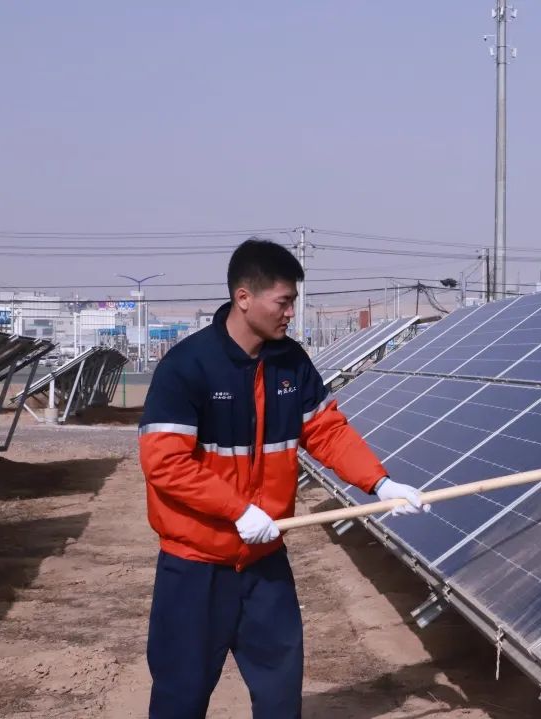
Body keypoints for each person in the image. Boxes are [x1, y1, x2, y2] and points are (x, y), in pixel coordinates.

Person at [138, 238, 426, 718]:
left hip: (265, 562)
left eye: (293, 301)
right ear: (243, 297)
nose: (291, 312)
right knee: (180, 694)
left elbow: (326, 432)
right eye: (283, 301)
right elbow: (165, 463)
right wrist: (238, 510)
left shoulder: (291, 362)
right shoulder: (187, 367)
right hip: (195, 568)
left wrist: (379, 483)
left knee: (280, 692)